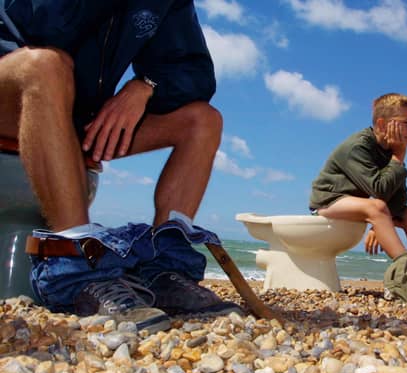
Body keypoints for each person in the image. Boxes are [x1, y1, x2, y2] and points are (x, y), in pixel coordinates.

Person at [0, 1, 240, 332]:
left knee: (202, 121)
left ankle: (164, 271)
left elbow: (197, 76)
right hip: (14, 85)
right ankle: (76, 270)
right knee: (47, 65)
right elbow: (44, 25)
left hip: (73, 117)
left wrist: (146, 84)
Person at [309, 93, 407, 259]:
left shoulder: (390, 150)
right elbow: (380, 191)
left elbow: (399, 199)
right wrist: (399, 156)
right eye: (405, 123)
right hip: (328, 203)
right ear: (382, 125)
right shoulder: (359, 146)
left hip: (358, 206)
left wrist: (379, 225)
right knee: (376, 207)